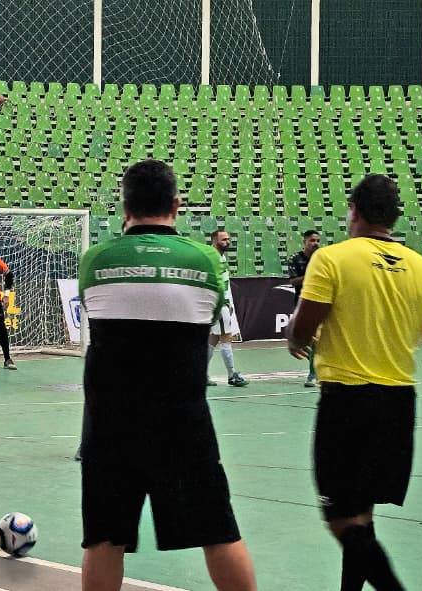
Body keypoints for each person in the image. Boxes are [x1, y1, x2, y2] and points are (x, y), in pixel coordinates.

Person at [287, 174, 422, 591]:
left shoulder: (332, 258)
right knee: (362, 515)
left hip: (346, 401)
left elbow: (303, 327)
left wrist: (297, 339)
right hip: (398, 404)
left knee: (340, 517)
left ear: (354, 211)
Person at [78, 160, 256, 591]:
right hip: (182, 421)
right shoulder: (206, 260)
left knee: (105, 539)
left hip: (109, 425)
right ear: (175, 205)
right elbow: (210, 320)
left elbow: (94, 309)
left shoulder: (95, 261)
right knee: (218, 532)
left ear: (126, 207)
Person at [207, 230, 248, 387]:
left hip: (221, 303)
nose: (228, 242)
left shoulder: (220, 256)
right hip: (219, 304)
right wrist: (223, 303)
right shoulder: (213, 257)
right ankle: (232, 376)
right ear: (214, 240)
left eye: (229, 239)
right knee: (226, 337)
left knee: (213, 339)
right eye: (224, 239)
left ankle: (201, 374)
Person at [288, 229, 321, 388]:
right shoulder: (295, 259)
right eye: (312, 241)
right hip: (302, 302)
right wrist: (311, 275)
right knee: (305, 340)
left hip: (321, 301)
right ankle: (317, 365)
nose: (315, 244)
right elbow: (293, 281)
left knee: (317, 339)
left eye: (317, 241)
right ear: (305, 242)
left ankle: (312, 374)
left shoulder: (322, 257)